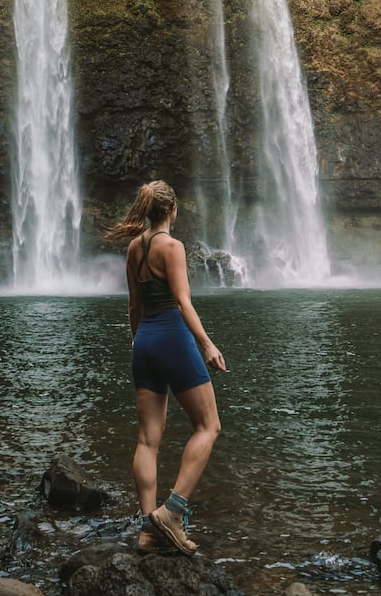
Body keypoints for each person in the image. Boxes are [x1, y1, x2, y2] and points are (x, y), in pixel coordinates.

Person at [105, 180, 226, 555]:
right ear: (172, 210)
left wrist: (137, 342)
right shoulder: (172, 247)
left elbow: (133, 307)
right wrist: (206, 344)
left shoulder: (133, 248)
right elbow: (183, 302)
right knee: (209, 426)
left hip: (144, 343)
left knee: (147, 440)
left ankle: (147, 530)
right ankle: (172, 511)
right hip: (173, 338)